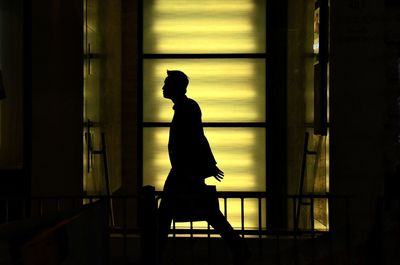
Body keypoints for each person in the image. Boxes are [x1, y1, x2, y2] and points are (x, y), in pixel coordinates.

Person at [157, 70, 250, 265]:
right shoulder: (187, 107)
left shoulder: (186, 108)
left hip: (184, 172)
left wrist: (208, 165)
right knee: (208, 213)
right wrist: (209, 165)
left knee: (169, 214)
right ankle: (240, 250)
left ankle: (153, 256)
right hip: (187, 171)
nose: (163, 87)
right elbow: (198, 137)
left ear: (175, 87)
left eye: (166, 84)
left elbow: (196, 138)